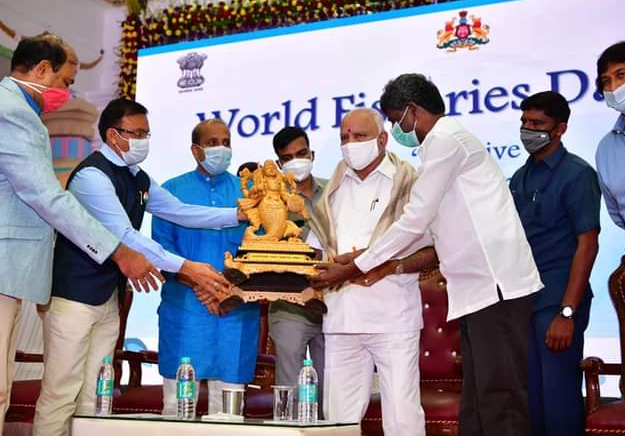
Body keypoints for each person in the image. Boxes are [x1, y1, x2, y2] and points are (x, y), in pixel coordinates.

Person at [0, 34, 160, 436]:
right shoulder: (10, 112)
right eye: (66, 81)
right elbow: (46, 196)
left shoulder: (8, 109)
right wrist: (117, 250)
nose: (67, 92)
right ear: (42, 69)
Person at [315, 74, 543, 436]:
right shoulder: (438, 148)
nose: (397, 128)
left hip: (495, 284)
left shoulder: (445, 140)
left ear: (412, 111)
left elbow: (414, 221)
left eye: (395, 119)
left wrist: (356, 265)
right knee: (477, 400)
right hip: (475, 289)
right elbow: (427, 228)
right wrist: (372, 261)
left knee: (499, 397)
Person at [33, 99, 237, 435]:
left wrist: (237, 214)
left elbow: (180, 211)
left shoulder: (137, 177)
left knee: (96, 392)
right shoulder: (91, 175)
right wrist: (187, 267)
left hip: (108, 296)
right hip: (73, 297)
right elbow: (125, 235)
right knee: (61, 390)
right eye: (137, 133)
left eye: (147, 134)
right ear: (113, 135)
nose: (144, 140)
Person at [308, 108, 436, 436]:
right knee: (338, 421)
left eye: (359, 136)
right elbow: (314, 251)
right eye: (344, 137)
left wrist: (389, 265)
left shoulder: (410, 183)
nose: (350, 143)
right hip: (341, 317)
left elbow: (432, 250)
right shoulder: (333, 188)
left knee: (403, 419)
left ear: (382, 139)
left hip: (393, 317)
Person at [152, 118, 260, 415]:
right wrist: (202, 285)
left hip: (235, 310)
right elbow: (161, 251)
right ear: (195, 150)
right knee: (177, 409)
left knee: (229, 413)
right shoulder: (170, 191)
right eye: (213, 143)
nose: (221, 149)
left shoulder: (250, 194)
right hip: (186, 309)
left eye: (226, 142)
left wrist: (227, 291)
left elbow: (263, 248)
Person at [510, 91, 600, 436]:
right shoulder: (520, 176)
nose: (528, 130)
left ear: (560, 129)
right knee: (531, 400)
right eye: (524, 122)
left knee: (559, 399)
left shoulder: (577, 174)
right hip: (525, 300)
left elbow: (587, 245)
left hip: (558, 301)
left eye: (538, 124)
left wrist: (567, 312)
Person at [268, 126, 327, 418]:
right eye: (288, 158)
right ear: (279, 164)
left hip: (333, 305)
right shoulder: (272, 201)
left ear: (312, 154)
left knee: (331, 392)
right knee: (288, 394)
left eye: (301, 154)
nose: (296, 161)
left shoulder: (335, 191)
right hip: (289, 307)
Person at [595, 41, 625, 347]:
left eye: (621, 75)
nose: (613, 87)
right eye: (606, 81)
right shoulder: (607, 149)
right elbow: (620, 216)